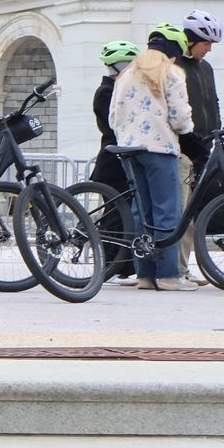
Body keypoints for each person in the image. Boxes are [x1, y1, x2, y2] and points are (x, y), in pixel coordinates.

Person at [110, 23, 196, 291]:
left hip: (128, 149)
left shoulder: (126, 74)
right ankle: (169, 276)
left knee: (141, 212)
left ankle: (145, 275)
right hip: (160, 149)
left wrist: (127, 137)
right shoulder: (171, 72)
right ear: (173, 51)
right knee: (166, 212)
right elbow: (180, 117)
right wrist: (188, 133)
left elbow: (115, 115)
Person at [173, 8, 224, 281]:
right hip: (183, 149)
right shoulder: (175, 67)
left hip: (204, 149)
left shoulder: (206, 68)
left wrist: (218, 132)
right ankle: (176, 270)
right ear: (191, 40)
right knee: (182, 213)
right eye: (206, 44)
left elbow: (212, 102)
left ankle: (182, 268)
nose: (209, 50)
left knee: (193, 212)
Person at [91, 41, 139, 283]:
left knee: (124, 214)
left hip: (121, 161)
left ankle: (124, 264)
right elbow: (115, 125)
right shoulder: (106, 91)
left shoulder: (118, 88)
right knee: (114, 216)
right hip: (111, 163)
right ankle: (109, 263)